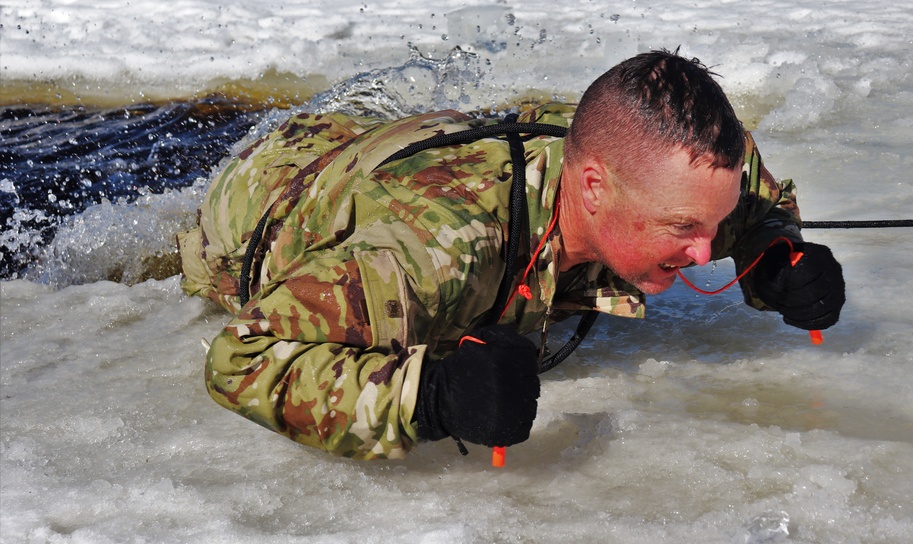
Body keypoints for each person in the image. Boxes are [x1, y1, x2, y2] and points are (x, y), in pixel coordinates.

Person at [177, 50, 845, 460]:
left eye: (715, 223)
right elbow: (240, 357)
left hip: (398, 147)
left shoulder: (669, 176)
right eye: (681, 229)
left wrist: (774, 250)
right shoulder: (438, 252)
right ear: (593, 188)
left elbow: (752, 195)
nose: (703, 252)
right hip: (265, 197)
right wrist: (429, 397)